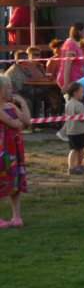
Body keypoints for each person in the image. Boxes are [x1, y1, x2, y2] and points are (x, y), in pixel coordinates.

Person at [0, 76, 30, 229]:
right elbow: (14, 123)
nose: (11, 91)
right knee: (2, 180)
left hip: (15, 149)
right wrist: (19, 123)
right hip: (2, 151)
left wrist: (22, 103)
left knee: (15, 181)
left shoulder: (11, 106)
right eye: (8, 88)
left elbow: (27, 121)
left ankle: (17, 216)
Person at [63, 82, 84, 175]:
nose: (83, 94)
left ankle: (74, 166)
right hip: (79, 131)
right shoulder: (79, 105)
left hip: (70, 130)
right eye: (81, 92)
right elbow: (82, 118)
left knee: (74, 149)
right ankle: (75, 166)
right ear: (75, 93)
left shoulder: (68, 103)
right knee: (79, 149)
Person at [57, 22, 84, 92]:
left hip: (77, 79)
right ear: (79, 32)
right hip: (70, 80)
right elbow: (67, 65)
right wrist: (66, 84)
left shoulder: (76, 44)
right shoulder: (71, 45)